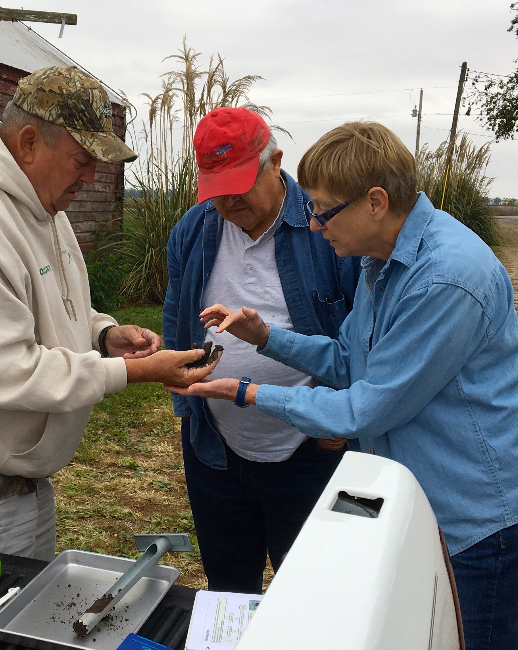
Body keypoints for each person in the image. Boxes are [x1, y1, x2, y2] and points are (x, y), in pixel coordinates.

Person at [172, 121, 518, 650]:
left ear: (375, 202)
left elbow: (367, 408)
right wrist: (267, 338)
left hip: (470, 523)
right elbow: (348, 359)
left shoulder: (446, 277)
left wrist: (248, 393)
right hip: (419, 507)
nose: (311, 225)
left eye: (323, 210)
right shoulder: (382, 265)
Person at [0, 66, 220, 562]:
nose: (91, 176)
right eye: (81, 159)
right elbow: (4, 372)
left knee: (19, 615)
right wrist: (133, 371)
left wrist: (104, 335)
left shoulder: (36, 205)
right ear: (29, 142)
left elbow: (48, 301)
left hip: (7, 477)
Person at [163, 106, 360, 593]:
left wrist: (341, 424)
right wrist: (186, 401)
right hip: (216, 452)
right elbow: (176, 315)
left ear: (275, 162)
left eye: (240, 183)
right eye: (217, 189)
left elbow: (363, 339)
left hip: (312, 450)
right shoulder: (192, 231)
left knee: (315, 594)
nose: (228, 201)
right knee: (229, 587)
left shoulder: (329, 230)